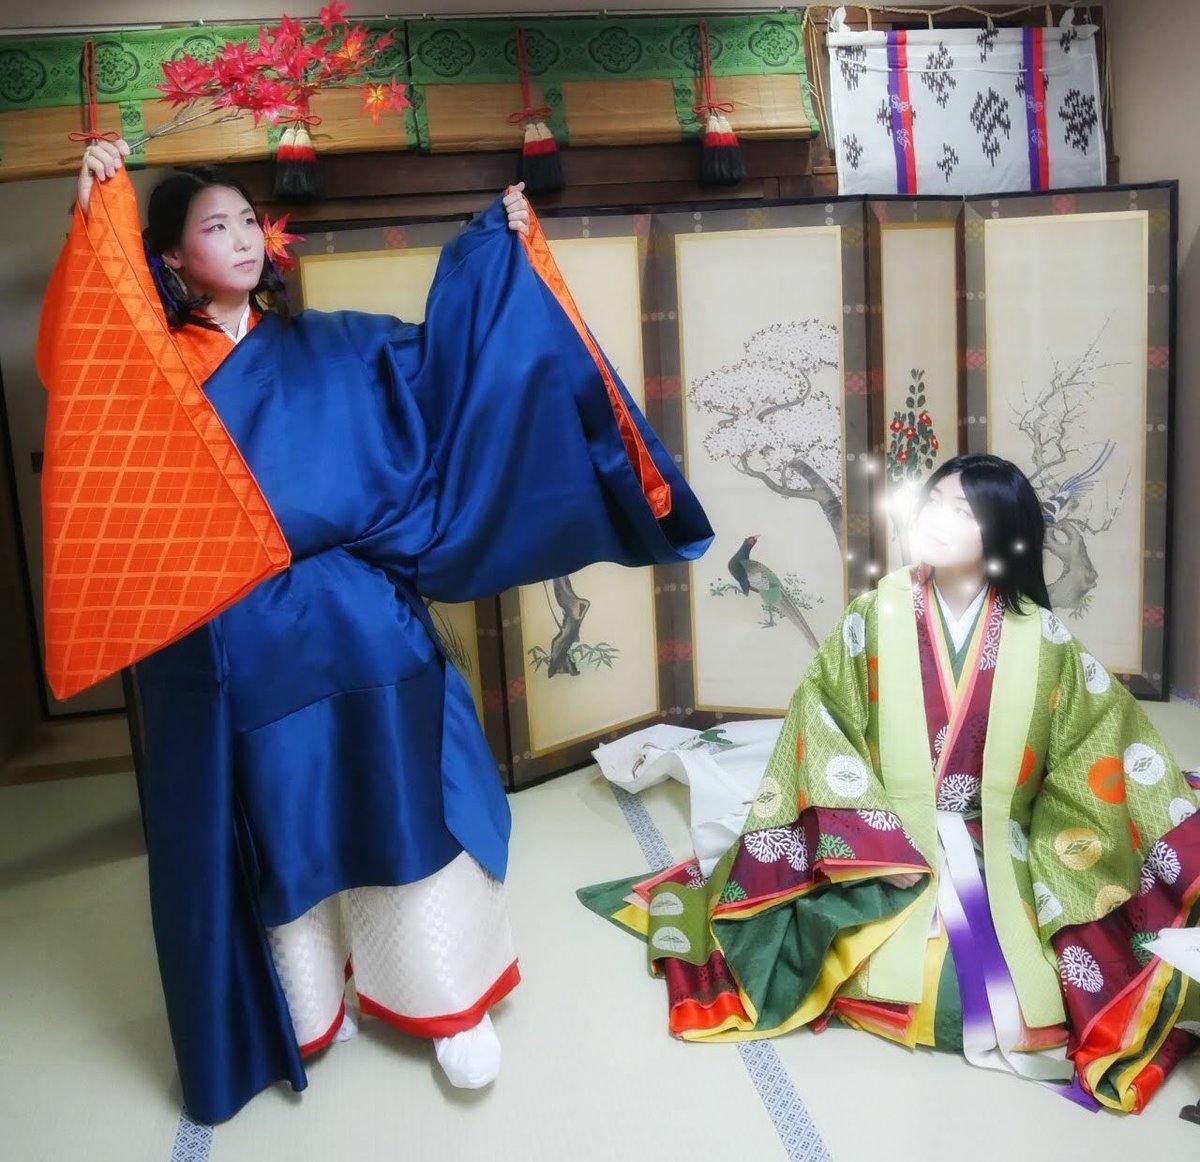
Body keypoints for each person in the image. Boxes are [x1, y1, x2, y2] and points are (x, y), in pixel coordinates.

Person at [39, 138, 713, 1123]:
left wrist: (495, 253)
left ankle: (447, 1002)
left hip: (363, 618)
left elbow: (450, 374)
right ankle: (312, 1002)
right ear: (171, 257)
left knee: (402, 803)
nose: (242, 238)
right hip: (241, 642)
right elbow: (80, 359)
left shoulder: (335, 344)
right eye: (214, 227)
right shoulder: (155, 375)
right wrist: (89, 206)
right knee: (286, 820)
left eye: (248, 221)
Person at [581, 454, 1199, 1113]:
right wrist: (872, 841)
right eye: (933, 501)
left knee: (1019, 992)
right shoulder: (873, 615)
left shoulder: (1044, 639)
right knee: (910, 977)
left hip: (1001, 845)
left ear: (1003, 529)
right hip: (882, 838)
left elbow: (1097, 746)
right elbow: (822, 724)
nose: (937, 518)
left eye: (963, 510)